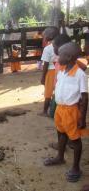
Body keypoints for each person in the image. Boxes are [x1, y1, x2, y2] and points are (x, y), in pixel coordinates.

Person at [43, 42, 88, 183]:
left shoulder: (80, 74)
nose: (57, 57)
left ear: (68, 57)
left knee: (75, 140)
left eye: (60, 55)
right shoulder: (62, 70)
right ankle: (60, 157)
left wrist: (82, 117)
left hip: (71, 111)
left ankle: (76, 168)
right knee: (61, 133)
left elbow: (85, 97)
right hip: (60, 109)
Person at [39, 27, 59, 116]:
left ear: (50, 36)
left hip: (50, 72)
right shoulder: (60, 46)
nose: (43, 36)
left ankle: (44, 111)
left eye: (45, 35)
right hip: (60, 70)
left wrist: (43, 77)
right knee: (58, 90)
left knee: (48, 92)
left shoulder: (47, 49)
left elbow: (45, 64)